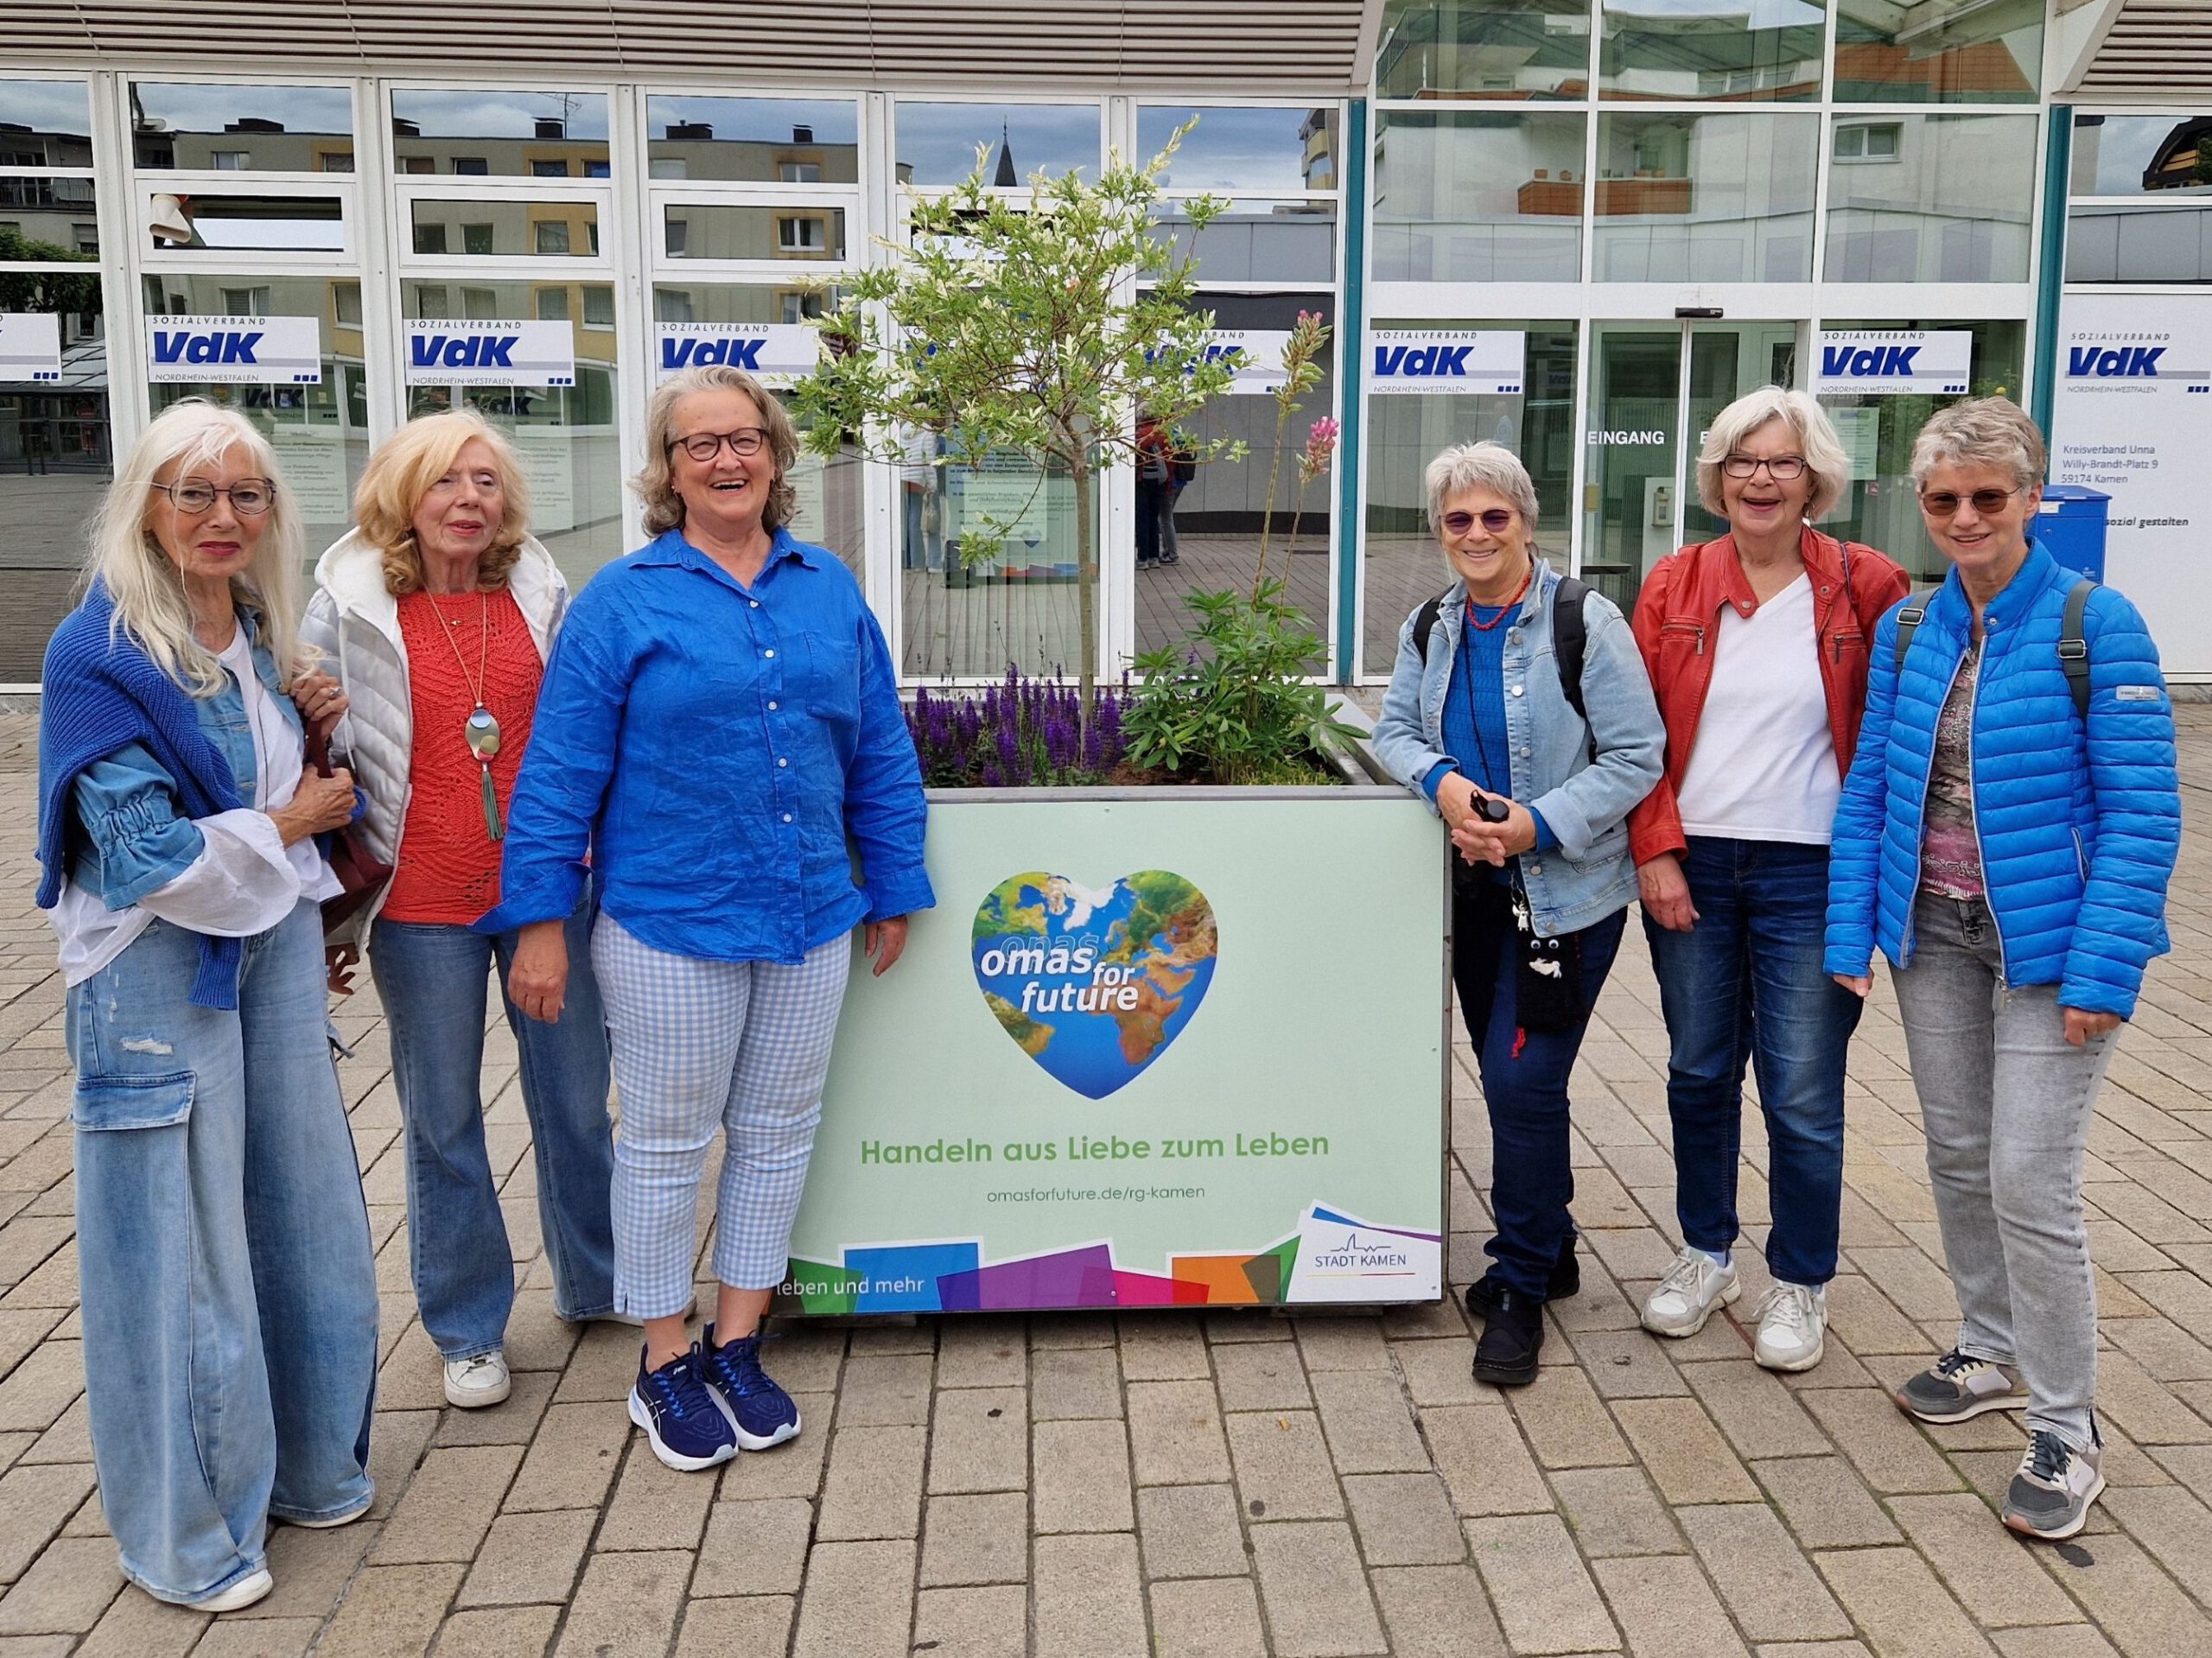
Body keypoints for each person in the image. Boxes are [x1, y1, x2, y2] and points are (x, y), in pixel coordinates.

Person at [477, 365, 933, 1471]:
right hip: (668, 919)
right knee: (669, 1144)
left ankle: (738, 1337)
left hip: (814, 912)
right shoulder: (623, 598)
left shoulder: (827, 585)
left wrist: (896, 878)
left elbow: (876, 742)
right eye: (699, 446)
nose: (726, 460)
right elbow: (557, 773)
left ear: (776, 455)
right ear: (668, 469)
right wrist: (539, 917)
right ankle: (661, 1356)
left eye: (745, 439)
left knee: (778, 1133)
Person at [35, 401, 378, 1611]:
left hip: (271, 953)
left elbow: (288, 803)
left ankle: (305, 1469)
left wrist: (314, 740)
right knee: (174, 1250)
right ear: (145, 505)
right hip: (151, 971)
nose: (223, 516)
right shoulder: (102, 651)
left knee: (303, 1210)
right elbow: (142, 856)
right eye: (194, 492)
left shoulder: (261, 631)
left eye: (247, 494)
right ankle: (187, 1535)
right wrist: (289, 824)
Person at [1827, 397, 2179, 1540]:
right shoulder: (1912, 628)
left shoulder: (2097, 621)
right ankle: (1991, 1342)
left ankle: (2070, 1426)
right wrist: (1850, 936)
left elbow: (2143, 813)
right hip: (1936, 933)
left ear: (2034, 498)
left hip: (2051, 951)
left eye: (1991, 495)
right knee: (1959, 1151)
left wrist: (2102, 968)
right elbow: (1876, 787)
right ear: (1922, 506)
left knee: (2032, 1178)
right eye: (1945, 499)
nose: (1967, 515)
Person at [302, 410, 618, 1413]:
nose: (468, 500)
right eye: (445, 482)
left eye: (485, 481)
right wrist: (325, 914)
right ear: (403, 495)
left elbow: (583, 736)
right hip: (420, 900)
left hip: (543, 892)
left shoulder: (539, 591)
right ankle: (469, 1326)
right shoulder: (343, 606)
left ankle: (599, 1282)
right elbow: (307, 756)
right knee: (441, 1117)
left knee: (572, 1098)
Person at [1627, 388, 1910, 1372]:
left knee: (1799, 1087)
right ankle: (1707, 1254)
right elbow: (1631, 737)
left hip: (1814, 870)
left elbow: (1895, 742)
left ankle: (1800, 1279)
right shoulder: (1672, 582)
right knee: (1698, 1069)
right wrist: (1654, 848)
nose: (1760, 478)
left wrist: (1876, 880)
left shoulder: (1866, 586)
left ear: (1815, 478)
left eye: (1782, 462)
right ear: (1716, 475)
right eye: (1742, 460)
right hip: (1693, 861)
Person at [1373, 441, 1664, 1387]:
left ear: (1527, 522)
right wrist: (1446, 785)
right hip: (1473, 898)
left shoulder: (1585, 619)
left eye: (1494, 516)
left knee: (1519, 1086)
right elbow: (1393, 731)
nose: (1476, 533)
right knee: (1516, 1082)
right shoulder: (1432, 623)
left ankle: (1521, 1282)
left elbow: (1635, 755)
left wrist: (1535, 823)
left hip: (1565, 899)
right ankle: (1557, 1241)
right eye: (1458, 519)